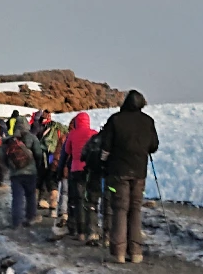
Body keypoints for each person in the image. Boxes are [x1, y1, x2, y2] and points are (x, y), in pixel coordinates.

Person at [101, 90, 158, 264]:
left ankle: (118, 252)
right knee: (135, 209)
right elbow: (153, 146)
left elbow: (105, 146)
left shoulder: (116, 119)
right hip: (139, 172)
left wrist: (103, 161)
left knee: (120, 209)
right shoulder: (148, 121)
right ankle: (136, 252)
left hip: (118, 171)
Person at [63, 112, 100, 241]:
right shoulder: (94, 133)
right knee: (91, 201)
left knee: (78, 200)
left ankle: (81, 232)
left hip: (76, 170)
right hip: (90, 171)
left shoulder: (72, 134)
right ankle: (93, 230)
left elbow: (67, 151)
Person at [6, 119, 47, 228]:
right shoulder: (32, 138)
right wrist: (37, 167)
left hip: (15, 173)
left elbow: (5, 156)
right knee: (30, 195)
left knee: (17, 197)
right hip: (30, 172)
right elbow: (38, 154)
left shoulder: (10, 139)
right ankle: (31, 217)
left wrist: (10, 167)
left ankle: (16, 221)